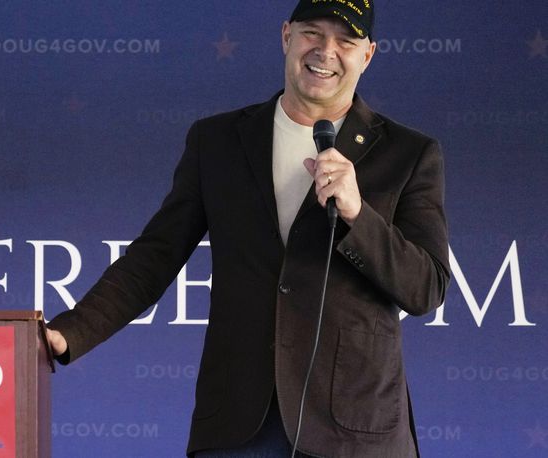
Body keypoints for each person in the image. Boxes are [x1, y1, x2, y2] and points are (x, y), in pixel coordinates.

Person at [46, 1, 450, 456]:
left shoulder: (409, 153)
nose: (325, 51)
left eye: (346, 41)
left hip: (354, 429)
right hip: (237, 425)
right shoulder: (216, 141)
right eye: (312, 33)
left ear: (368, 55)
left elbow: (426, 288)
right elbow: (152, 258)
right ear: (286, 36)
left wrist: (359, 215)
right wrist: (71, 332)